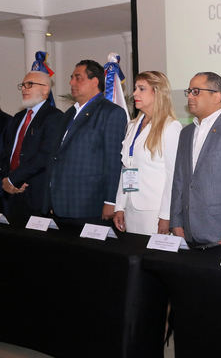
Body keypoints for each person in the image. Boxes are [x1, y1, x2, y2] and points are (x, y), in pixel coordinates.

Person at [169, 72, 221, 248]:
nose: (190, 97)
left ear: (217, 96)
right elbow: (179, 180)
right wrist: (176, 222)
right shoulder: (186, 133)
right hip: (188, 234)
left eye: (196, 91)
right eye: (189, 91)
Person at [45, 60, 127, 227]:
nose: (71, 82)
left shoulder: (111, 112)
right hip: (61, 203)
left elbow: (114, 161)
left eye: (78, 78)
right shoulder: (68, 114)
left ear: (95, 81)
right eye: (71, 78)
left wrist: (111, 201)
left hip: (90, 205)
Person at [113, 71, 181, 235]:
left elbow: (173, 176)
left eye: (141, 89)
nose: (135, 93)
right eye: (135, 88)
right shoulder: (132, 125)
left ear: (157, 92)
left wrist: (166, 215)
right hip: (130, 208)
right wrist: (119, 206)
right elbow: (126, 167)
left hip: (154, 211)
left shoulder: (171, 127)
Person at [0, 71, 62, 226]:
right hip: (11, 195)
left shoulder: (54, 117)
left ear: (45, 89)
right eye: (22, 85)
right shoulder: (17, 118)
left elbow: (44, 155)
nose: (24, 89)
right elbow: (7, 153)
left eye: (30, 84)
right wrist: (6, 180)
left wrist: (14, 179)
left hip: (36, 196)